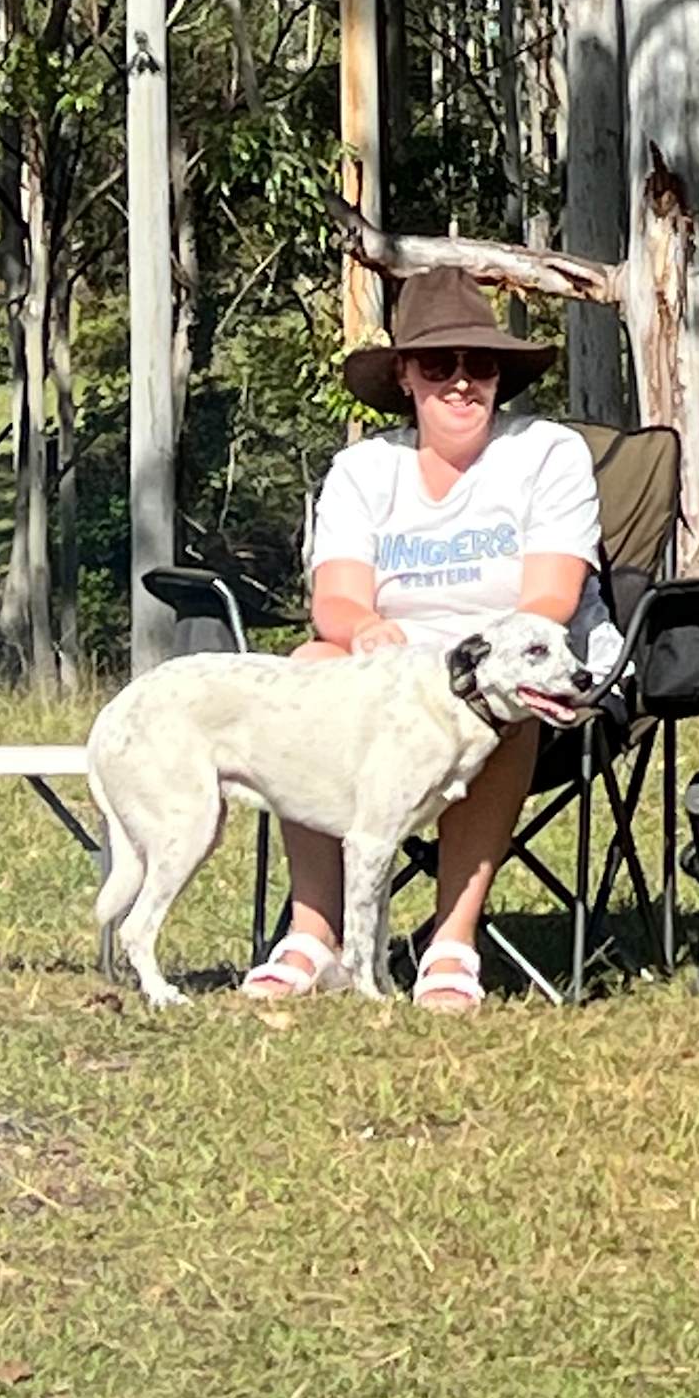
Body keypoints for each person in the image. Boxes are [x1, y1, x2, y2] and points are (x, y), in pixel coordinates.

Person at [240, 267, 600, 1010]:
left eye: (481, 365)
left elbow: (549, 601)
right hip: (389, 686)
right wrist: (366, 629)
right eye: (439, 365)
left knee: (497, 695)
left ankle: (452, 943)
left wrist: (457, 671)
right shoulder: (365, 469)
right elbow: (335, 600)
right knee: (309, 666)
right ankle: (314, 932)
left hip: (528, 678)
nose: (461, 383)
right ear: (405, 376)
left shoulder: (547, 454)